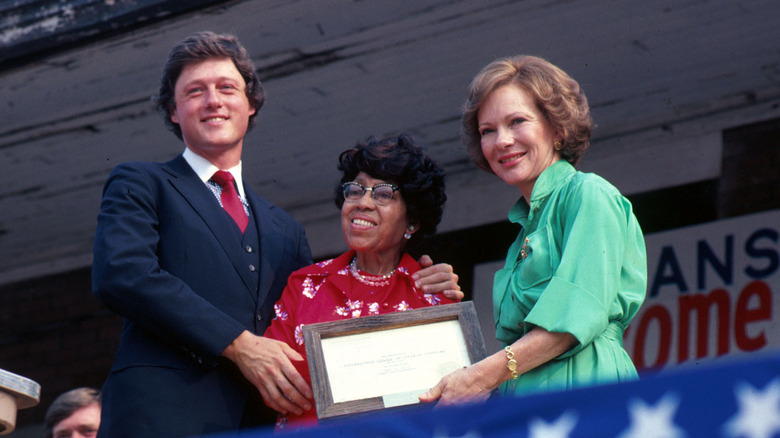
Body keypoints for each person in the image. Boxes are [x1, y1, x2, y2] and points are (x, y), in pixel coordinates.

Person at [91, 31, 462, 438]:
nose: (213, 100)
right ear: (173, 110)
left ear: (250, 104)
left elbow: (319, 325)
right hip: (161, 417)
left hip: (258, 423)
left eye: (226, 88)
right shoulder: (141, 182)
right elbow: (123, 274)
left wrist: (418, 279)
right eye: (195, 91)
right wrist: (238, 343)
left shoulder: (286, 230)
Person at [420, 55, 647, 405]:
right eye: (488, 131)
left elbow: (571, 322)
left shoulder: (588, 194)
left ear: (557, 128)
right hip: (525, 402)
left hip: (586, 393)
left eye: (517, 122)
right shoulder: (527, 224)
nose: (502, 141)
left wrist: (478, 378)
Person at [264, 134, 458, 429]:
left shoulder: (433, 296)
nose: (362, 203)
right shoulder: (305, 285)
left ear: (412, 222)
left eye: (383, 194)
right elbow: (273, 383)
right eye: (355, 191)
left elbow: (451, 400)